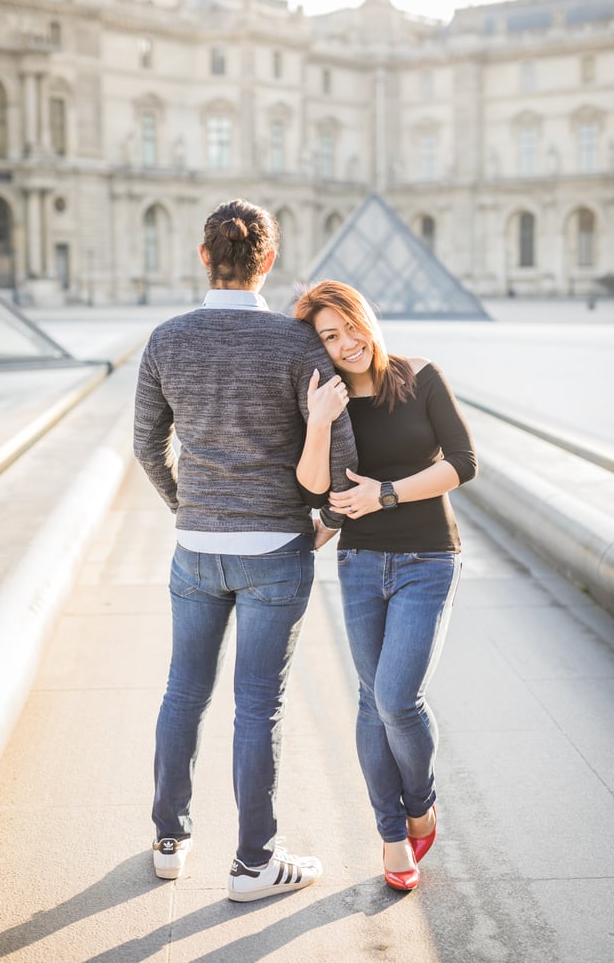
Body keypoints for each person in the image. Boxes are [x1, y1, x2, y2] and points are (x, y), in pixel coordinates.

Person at [133, 201, 356, 901]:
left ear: (204, 256)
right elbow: (340, 455)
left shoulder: (167, 340)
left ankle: (170, 838)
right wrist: (322, 519)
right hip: (274, 549)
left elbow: (146, 445)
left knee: (182, 693)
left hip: (196, 548)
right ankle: (255, 861)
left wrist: (185, 507)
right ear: (267, 261)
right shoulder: (297, 347)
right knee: (257, 706)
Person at [293, 279, 477, 892]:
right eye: (328, 336)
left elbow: (464, 463)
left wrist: (386, 493)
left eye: (349, 327)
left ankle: (420, 802)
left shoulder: (420, 375)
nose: (345, 343)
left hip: (429, 557)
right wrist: (319, 421)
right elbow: (316, 489)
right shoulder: (328, 397)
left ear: (366, 319)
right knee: (372, 703)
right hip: (361, 562)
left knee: (397, 698)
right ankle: (393, 838)